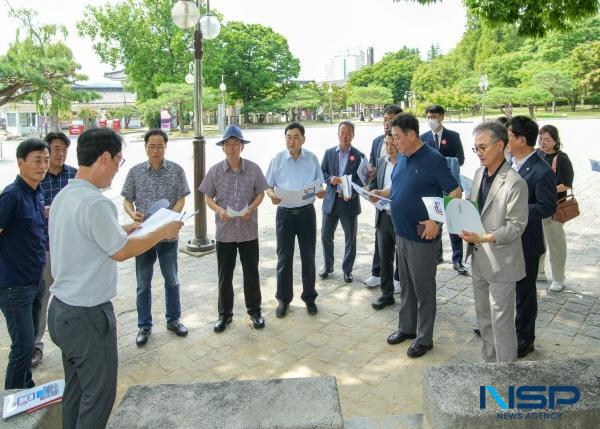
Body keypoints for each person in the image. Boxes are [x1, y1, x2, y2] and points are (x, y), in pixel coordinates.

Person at [48, 127, 183, 428]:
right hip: (87, 317)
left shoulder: (65, 196)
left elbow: (84, 238)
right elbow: (121, 253)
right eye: (119, 161)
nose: (117, 170)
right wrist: (162, 230)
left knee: (76, 390)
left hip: (61, 311)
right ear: (105, 158)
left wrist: (122, 229)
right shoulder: (97, 203)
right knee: (98, 398)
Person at [373, 113, 461, 358]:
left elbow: (455, 193)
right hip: (401, 232)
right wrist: (381, 192)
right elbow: (398, 189)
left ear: (411, 135)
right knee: (407, 287)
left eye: (397, 137)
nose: (394, 142)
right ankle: (406, 328)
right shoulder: (403, 157)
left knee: (423, 289)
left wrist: (437, 220)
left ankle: (425, 338)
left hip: (422, 236)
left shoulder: (433, 159)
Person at [461, 122, 528, 362]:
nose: (478, 153)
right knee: (484, 318)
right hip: (479, 257)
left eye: (482, 147)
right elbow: (473, 206)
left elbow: (516, 227)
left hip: (502, 263)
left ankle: (506, 371)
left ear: (500, 146)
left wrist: (484, 237)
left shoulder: (515, 182)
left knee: (501, 322)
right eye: (475, 149)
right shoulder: (479, 173)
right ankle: (489, 365)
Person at [121, 129, 191, 347]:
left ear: (165, 147)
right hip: (143, 237)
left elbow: (181, 199)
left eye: (160, 146)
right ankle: (144, 325)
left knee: (172, 280)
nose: (156, 150)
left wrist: (171, 215)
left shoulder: (176, 171)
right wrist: (133, 214)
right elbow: (126, 200)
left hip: (168, 237)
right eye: (152, 146)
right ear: (145, 147)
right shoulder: (135, 172)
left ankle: (173, 320)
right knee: (143, 283)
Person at [199, 125, 268, 333]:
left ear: (242, 147)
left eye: (236, 144)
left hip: (248, 230)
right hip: (225, 232)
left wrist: (251, 208)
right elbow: (207, 197)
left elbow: (261, 193)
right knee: (224, 275)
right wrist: (219, 210)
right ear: (222, 148)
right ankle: (224, 315)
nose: (232, 148)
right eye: (228, 144)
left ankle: (255, 312)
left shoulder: (254, 169)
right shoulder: (214, 171)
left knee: (251, 273)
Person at [0, 139, 49, 389]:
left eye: (46, 160)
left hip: (35, 280)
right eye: (37, 160)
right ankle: (11, 404)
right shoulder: (11, 195)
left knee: (29, 345)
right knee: (22, 346)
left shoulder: (37, 191)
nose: (43, 166)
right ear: (21, 162)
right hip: (14, 285)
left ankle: (26, 390)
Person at [507, 116, 557, 358]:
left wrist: (516, 210)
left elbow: (547, 207)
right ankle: (504, 328)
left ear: (521, 140)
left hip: (527, 242)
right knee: (505, 288)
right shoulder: (509, 163)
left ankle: (525, 338)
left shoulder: (541, 170)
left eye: (508, 136)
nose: (505, 140)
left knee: (524, 294)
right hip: (504, 240)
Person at [265, 123, 325, 318]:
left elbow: (319, 185)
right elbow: (268, 186)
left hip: (307, 213)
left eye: (296, 137)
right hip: (285, 215)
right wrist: (272, 196)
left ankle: (309, 298)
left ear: (303, 139)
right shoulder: (277, 159)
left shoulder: (312, 159)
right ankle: (283, 299)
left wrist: (321, 192)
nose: (292, 141)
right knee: (284, 258)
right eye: (289, 137)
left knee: (308, 257)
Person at [33, 132, 77, 367]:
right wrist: (45, 211)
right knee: (42, 297)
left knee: (71, 295)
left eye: (64, 149)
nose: (60, 154)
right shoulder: (37, 177)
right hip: (46, 247)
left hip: (70, 247)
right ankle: (35, 344)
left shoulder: (74, 175)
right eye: (56, 149)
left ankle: (72, 340)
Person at [420, 104, 467, 275]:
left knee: (454, 223)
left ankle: (458, 260)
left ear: (442, 117)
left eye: (434, 116)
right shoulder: (423, 137)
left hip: (451, 186)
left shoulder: (453, 136)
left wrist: (443, 163)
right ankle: (437, 255)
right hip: (432, 188)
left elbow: (460, 159)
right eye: (428, 116)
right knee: (434, 220)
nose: (431, 119)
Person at [320, 121, 365, 283]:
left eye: (348, 133)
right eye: (342, 132)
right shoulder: (329, 152)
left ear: (353, 135)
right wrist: (330, 179)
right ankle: (328, 266)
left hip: (349, 203)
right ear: (338, 134)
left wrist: (351, 193)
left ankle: (347, 270)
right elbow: (322, 172)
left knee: (350, 238)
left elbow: (363, 181)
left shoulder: (359, 156)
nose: (345, 136)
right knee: (326, 236)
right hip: (331, 201)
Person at [364, 104, 403, 289]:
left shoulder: (407, 156)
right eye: (385, 120)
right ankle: (379, 275)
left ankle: (399, 278)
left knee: (400, 247)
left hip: (399, 208)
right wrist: (371, 188)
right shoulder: (377, 141)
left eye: (391, 120)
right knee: (381, 242)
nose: (387, 123)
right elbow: (374, 167)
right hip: (381, 206)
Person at [537, 125, 574, 292]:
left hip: (554, 208)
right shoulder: (538, 154)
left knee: (556, 244)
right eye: (540, 139)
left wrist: (546, 189)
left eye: (547, 140)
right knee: (538, 242)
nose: (543, 143)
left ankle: (558, 278)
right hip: (537, 206)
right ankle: (539, 273)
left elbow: (565, 184)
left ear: (556, 141)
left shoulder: (562, 158)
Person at [368, 132, 401, 309]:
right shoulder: (381, 162)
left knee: (404, 258)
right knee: (385, 257)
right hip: (383, 216)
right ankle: (386, 293)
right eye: (387, 144)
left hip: (401, 217)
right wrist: (370, 191)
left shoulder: (406, 163)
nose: (389, 148)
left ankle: (407, 291)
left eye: (393, 144)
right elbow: (375, 184)